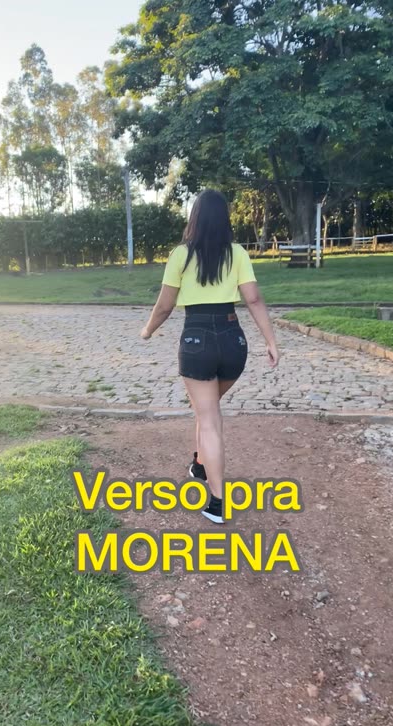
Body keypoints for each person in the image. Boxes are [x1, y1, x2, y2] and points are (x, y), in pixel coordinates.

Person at [140, 188, 280, 523]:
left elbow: (165, 306)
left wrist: (147, 331)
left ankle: (217, 503)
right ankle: (200, 465)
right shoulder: (238, 253)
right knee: (206, 409)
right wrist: (271, 341)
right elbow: (254, 299)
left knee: (209, 419)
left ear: (196, 218)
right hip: (234, 341)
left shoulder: (180, 255)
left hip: (197, 339)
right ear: (225, 219)